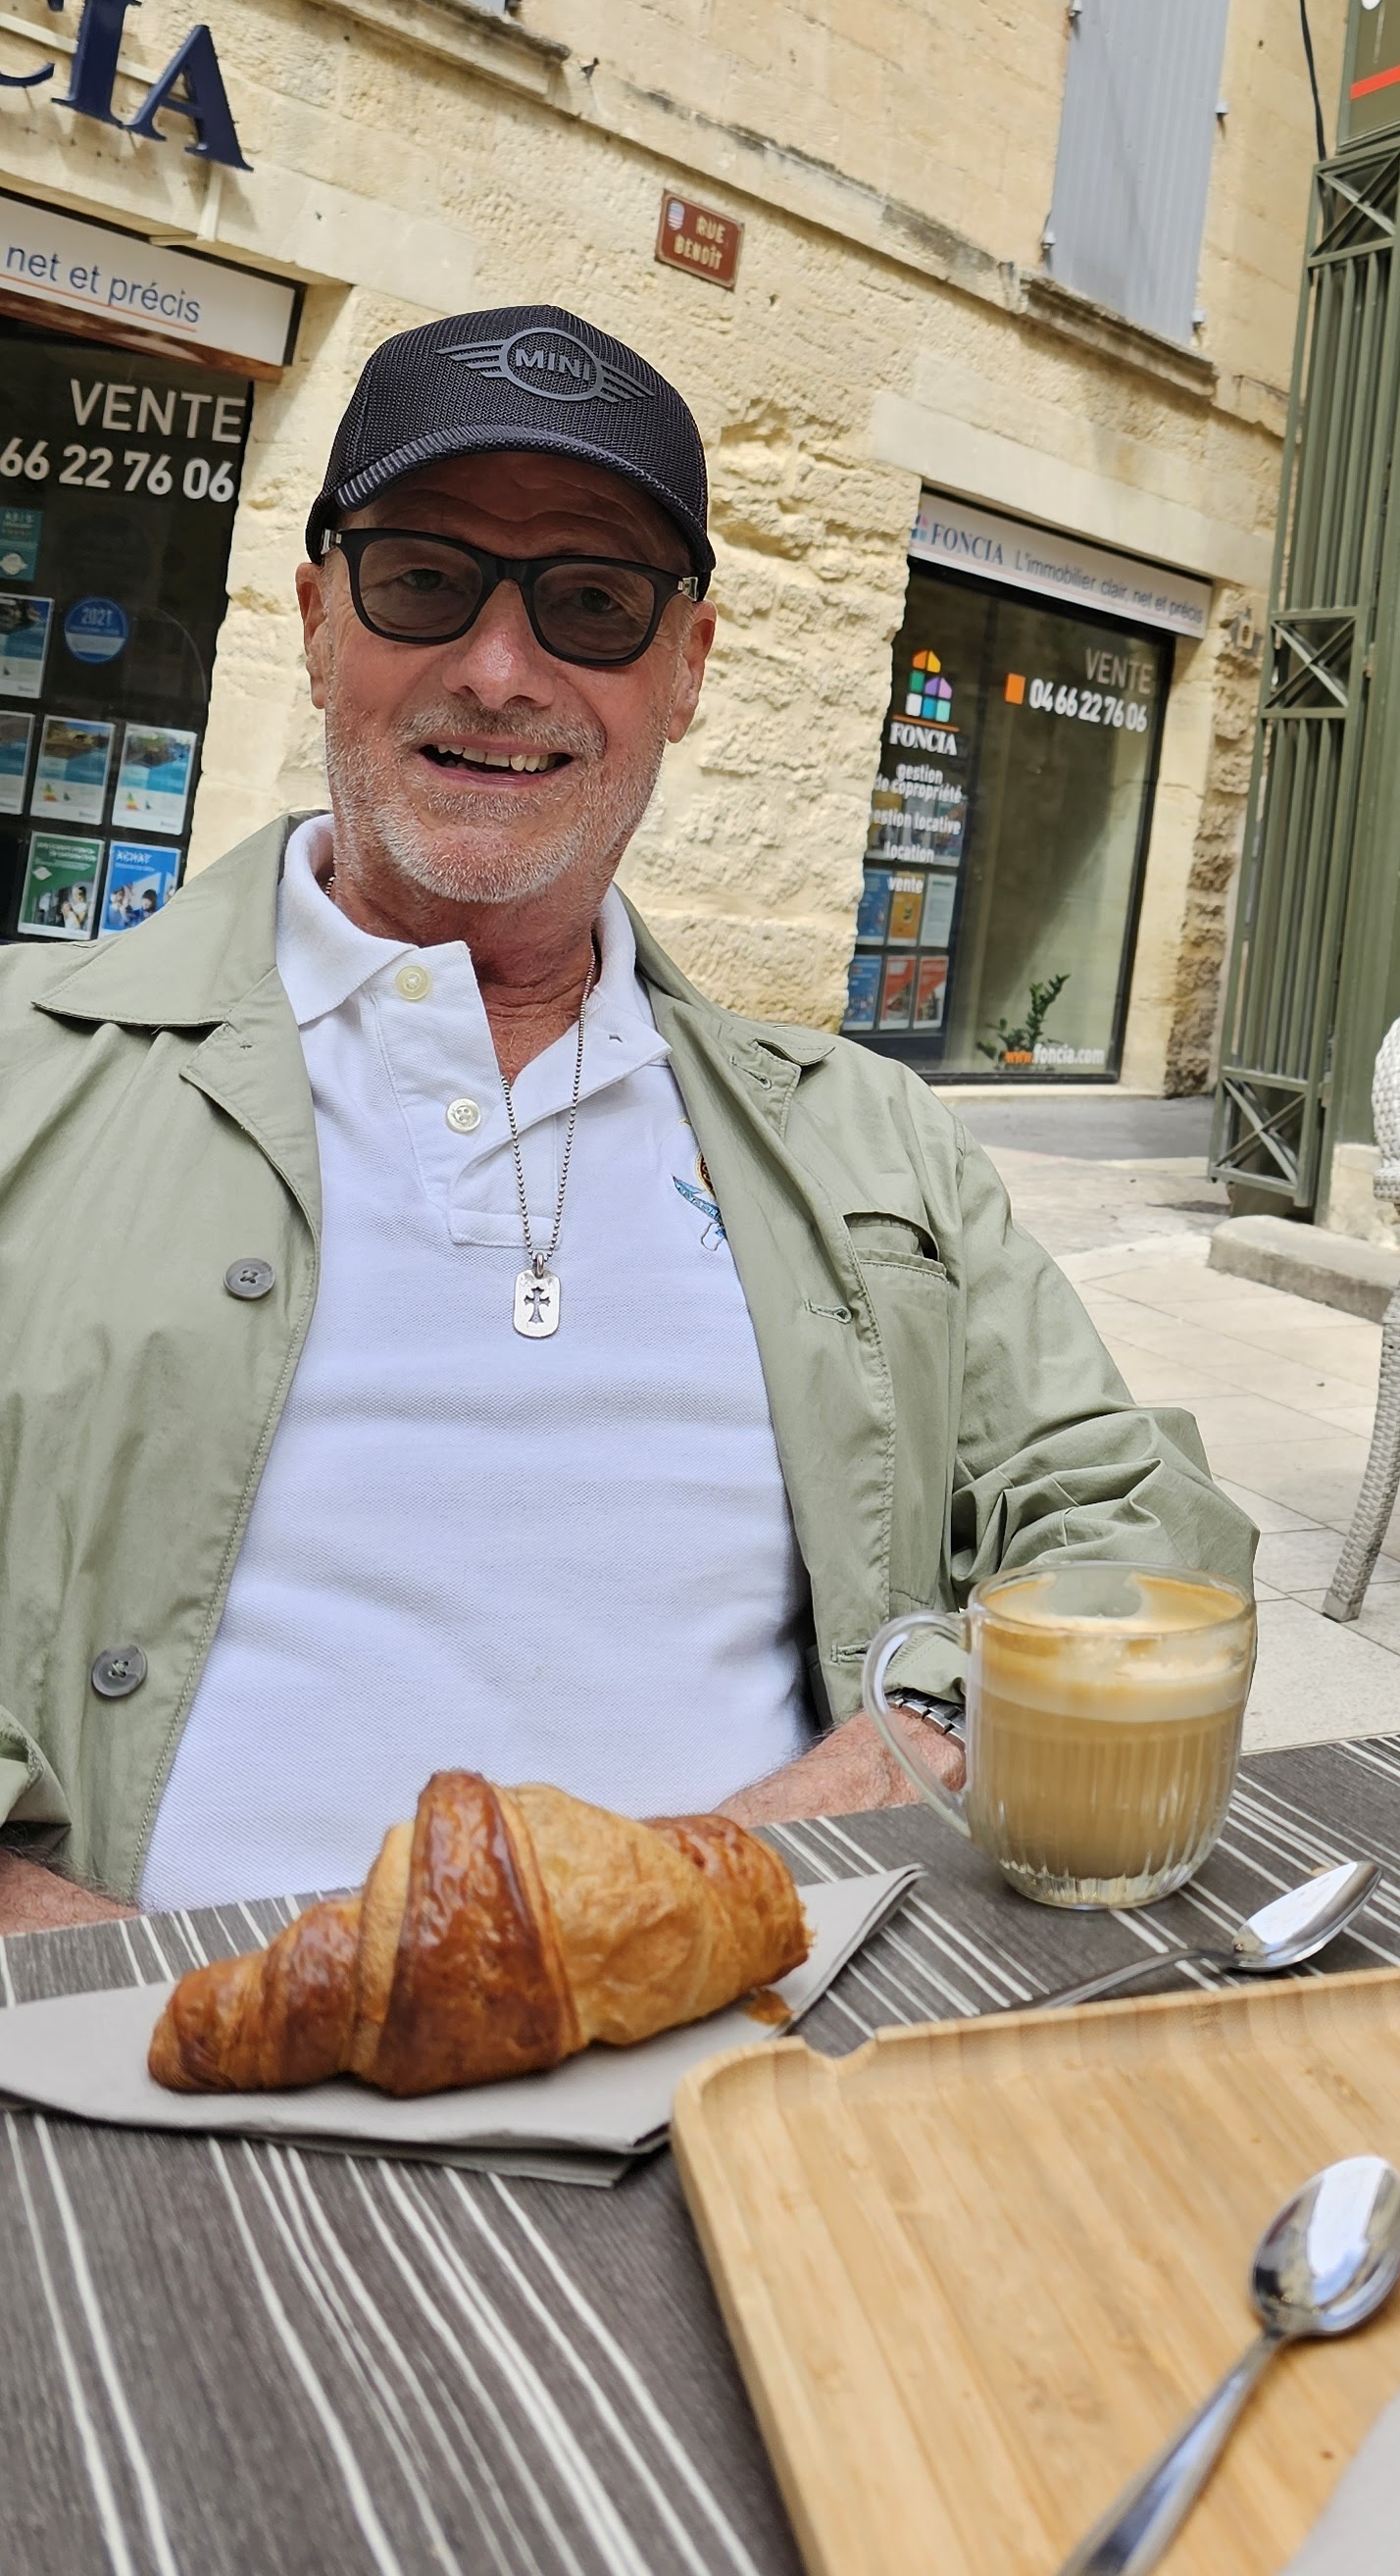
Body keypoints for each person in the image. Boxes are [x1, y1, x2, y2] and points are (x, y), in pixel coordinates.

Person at [0, 304, 1251, 1932]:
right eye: (424, 581)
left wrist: (920, 1728)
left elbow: (1132, 1520)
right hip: (153, 2036)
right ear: (317, 624)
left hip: (768, 2001)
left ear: (687, 671)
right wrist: (72, 1955)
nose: (498, 671)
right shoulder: (31, 1070)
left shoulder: (867, 1142)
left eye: (591, 603)